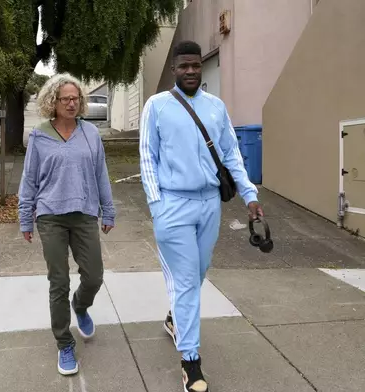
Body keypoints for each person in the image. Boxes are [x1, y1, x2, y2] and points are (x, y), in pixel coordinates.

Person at [139, 40, 264, 392]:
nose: (191, 71)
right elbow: (148, 157)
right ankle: (190, 363)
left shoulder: (215, 107)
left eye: (196, 66)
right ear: (175, 69)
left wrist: (250, 196)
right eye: (184, 66)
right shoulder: (157, 106)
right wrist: (156, 203)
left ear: (201, 68)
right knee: (186, 282)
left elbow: (231, 154)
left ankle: (174, 318)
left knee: (198, 273)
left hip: (210, 204)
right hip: (173, 206)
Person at [18, 73, 116, 376]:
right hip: (50, 216)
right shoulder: (39, 135)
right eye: (65, 99)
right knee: (58, 282)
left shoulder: (90, 134)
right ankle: (64, 343)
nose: (72, 103)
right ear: (53, 102)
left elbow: (101, 174)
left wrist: (108, 210)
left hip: (84, 213)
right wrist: (26, 216)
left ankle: (81, 305)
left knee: (94, 276)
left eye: (76, 98)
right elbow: (29, 178)